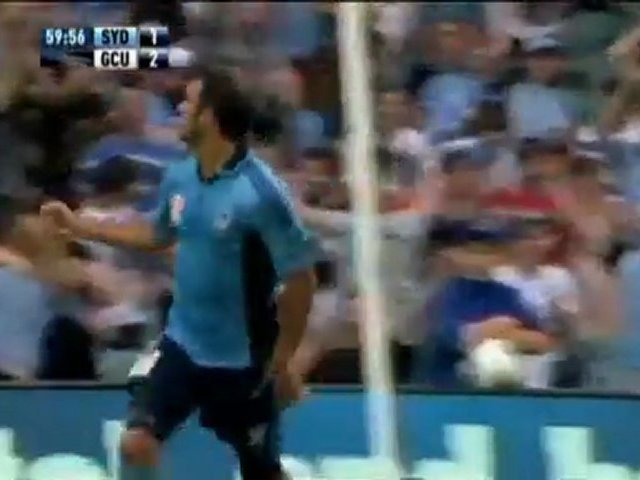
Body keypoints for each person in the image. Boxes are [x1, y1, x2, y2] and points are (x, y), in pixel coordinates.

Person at [41, 67, 318, 480]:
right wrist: (78, 225)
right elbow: (156, 233)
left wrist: (282, 358)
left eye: (189, 103)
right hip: (182, 345)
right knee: (136, 443)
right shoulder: (181, 175)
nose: (179, 111)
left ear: (212, 116)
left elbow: (301, 279)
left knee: (262, 472)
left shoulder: (261, 195)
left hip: (244, 362)